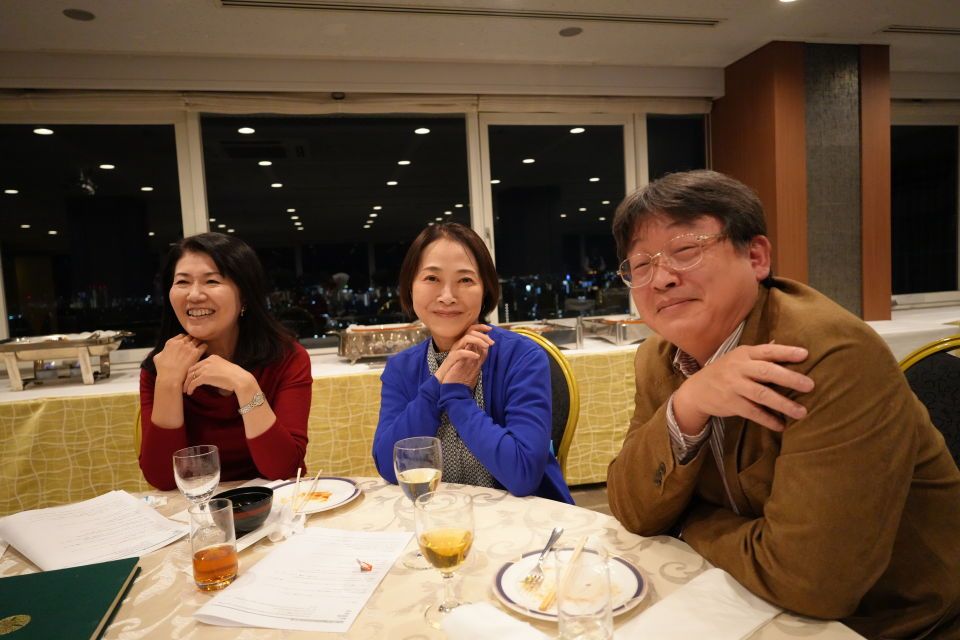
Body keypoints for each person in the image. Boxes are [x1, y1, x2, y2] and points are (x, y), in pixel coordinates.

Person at [606, 170, 960, 638]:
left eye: (685, 250)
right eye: (641, 265)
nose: (662, 279)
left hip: (891, 622)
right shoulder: (659, 357)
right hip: (739, 597)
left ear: (756, 257)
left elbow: (812, 582)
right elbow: (631, 508)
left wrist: (687, 523)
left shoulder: (827, 355)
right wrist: (687, 405)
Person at [372, 223, 573, 503]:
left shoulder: (522, 357)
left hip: (521, 518)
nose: (447, 296)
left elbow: (523, 475)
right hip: (440, 516)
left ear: (485, 289)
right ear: (410, 287)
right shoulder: (401, 368)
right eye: (432, 278)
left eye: (465, 280)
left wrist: (456, 395)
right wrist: (437, 383)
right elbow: (389, 465)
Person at [139, 232, 312, 490]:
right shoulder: (160, 367)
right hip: (198, 505)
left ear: (245, 295)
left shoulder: (287, 358)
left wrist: (245, 385)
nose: (194, 295)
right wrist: (168, 383)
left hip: (273, 502)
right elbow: (162, 479)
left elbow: (284, 470)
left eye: (211, 281)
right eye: (183, 282)